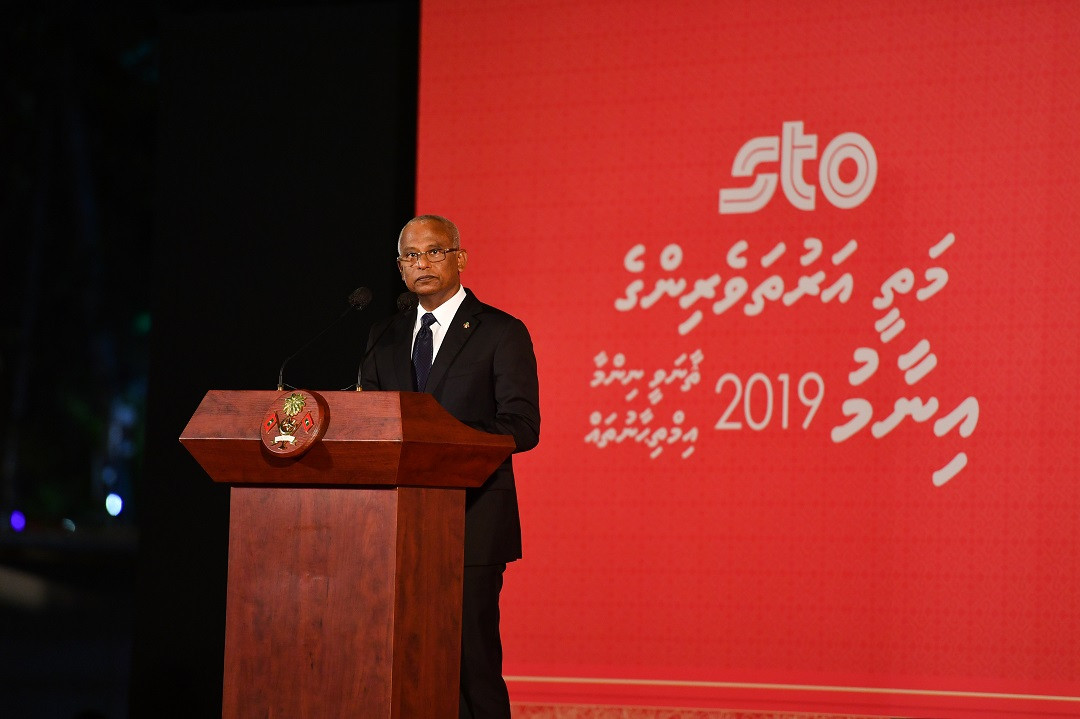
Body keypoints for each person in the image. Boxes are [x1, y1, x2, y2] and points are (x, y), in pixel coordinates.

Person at [360, 214, 541, 718]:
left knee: (470, 664)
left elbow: (522, 425)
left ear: (460, 258)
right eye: (411, 256)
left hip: (472, 523)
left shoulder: (501, 331)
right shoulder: (383, 335)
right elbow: (371, 421)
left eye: (434, 251)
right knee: (407, 662)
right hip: (396, 527)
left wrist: (441, 437)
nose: (423, 263)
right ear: (400, 268)